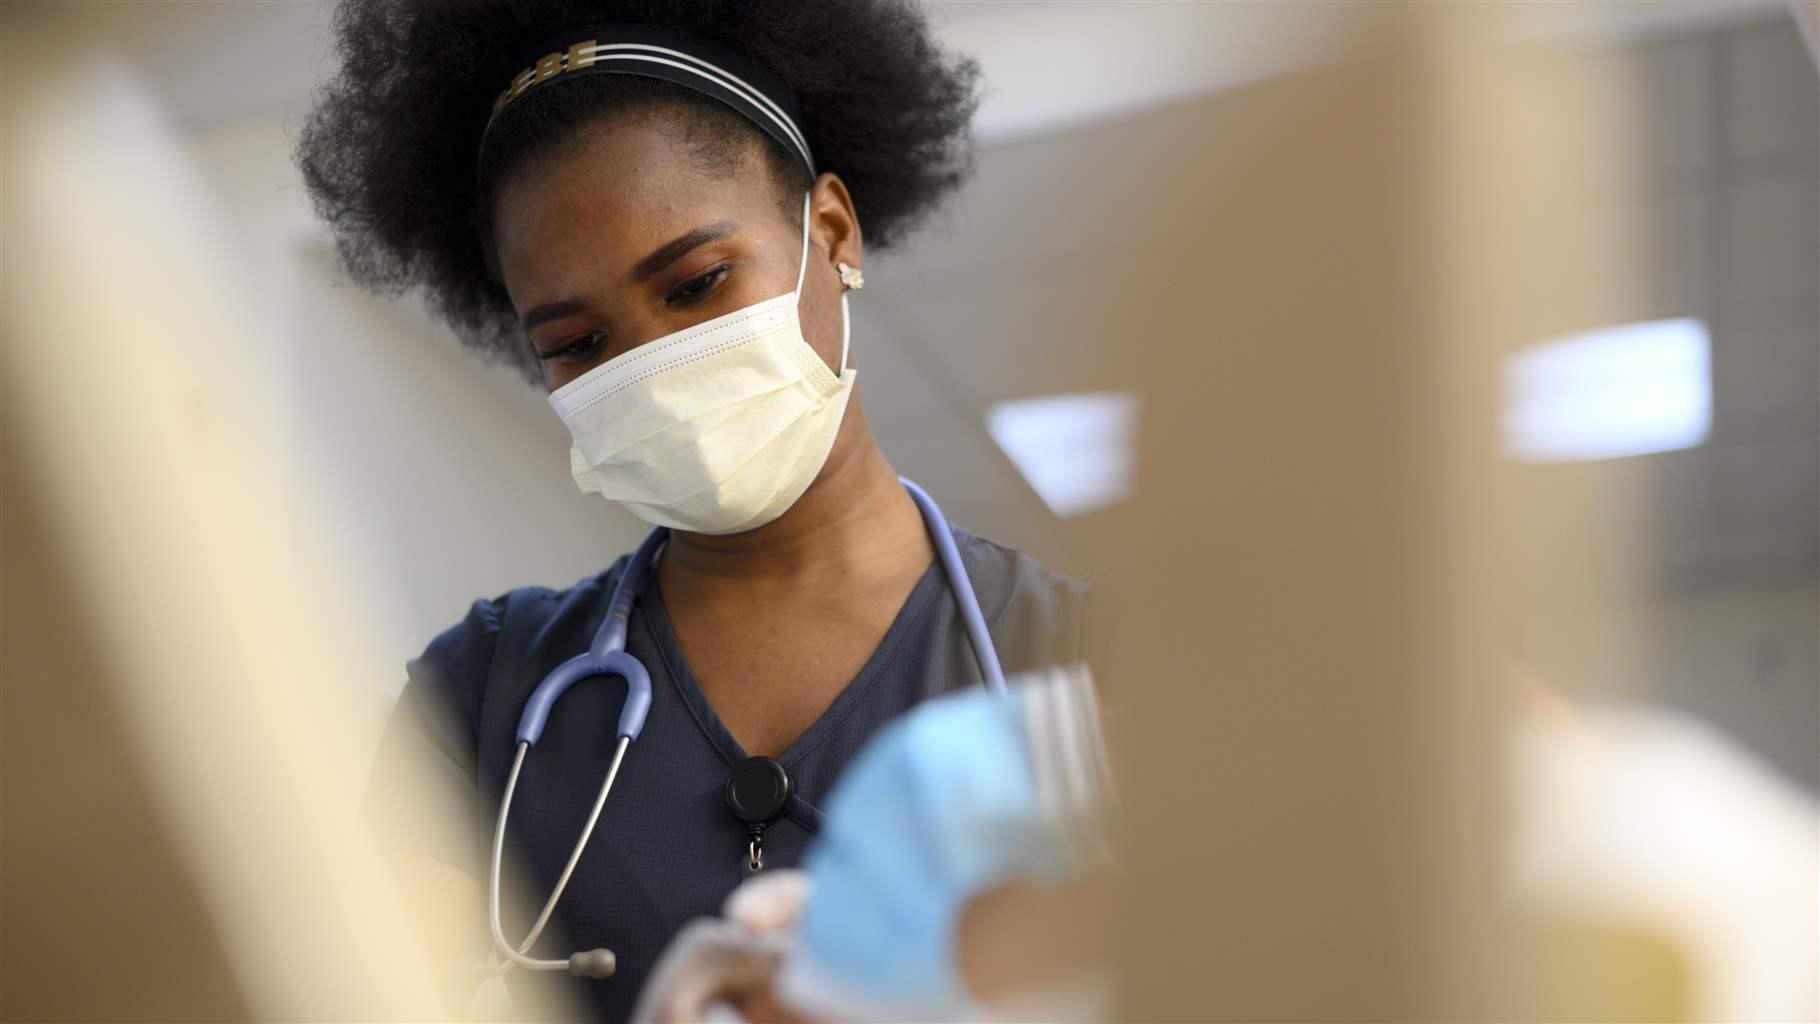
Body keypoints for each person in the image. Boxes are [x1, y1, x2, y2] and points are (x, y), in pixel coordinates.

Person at [296, 2, 1087, 1018]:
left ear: (831, 233)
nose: (652, 370)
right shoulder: (481, 696)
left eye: (698, 283)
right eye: (577, 343)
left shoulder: (1081, 656)